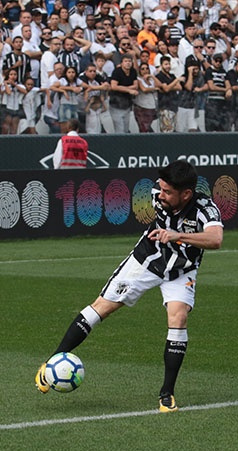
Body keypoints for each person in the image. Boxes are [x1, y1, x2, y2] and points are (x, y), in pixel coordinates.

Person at [35, 160, 224, 413]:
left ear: (187, 194)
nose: (161, 194)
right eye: (162, 188)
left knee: (178, 318)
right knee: (102, 307)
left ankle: (166, 394)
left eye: (168, 192)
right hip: (145, 261)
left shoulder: (205, 209)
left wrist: (177, 235)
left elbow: (216, 239)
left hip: (181, 270)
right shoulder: (159, 193)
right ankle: (50, 365)